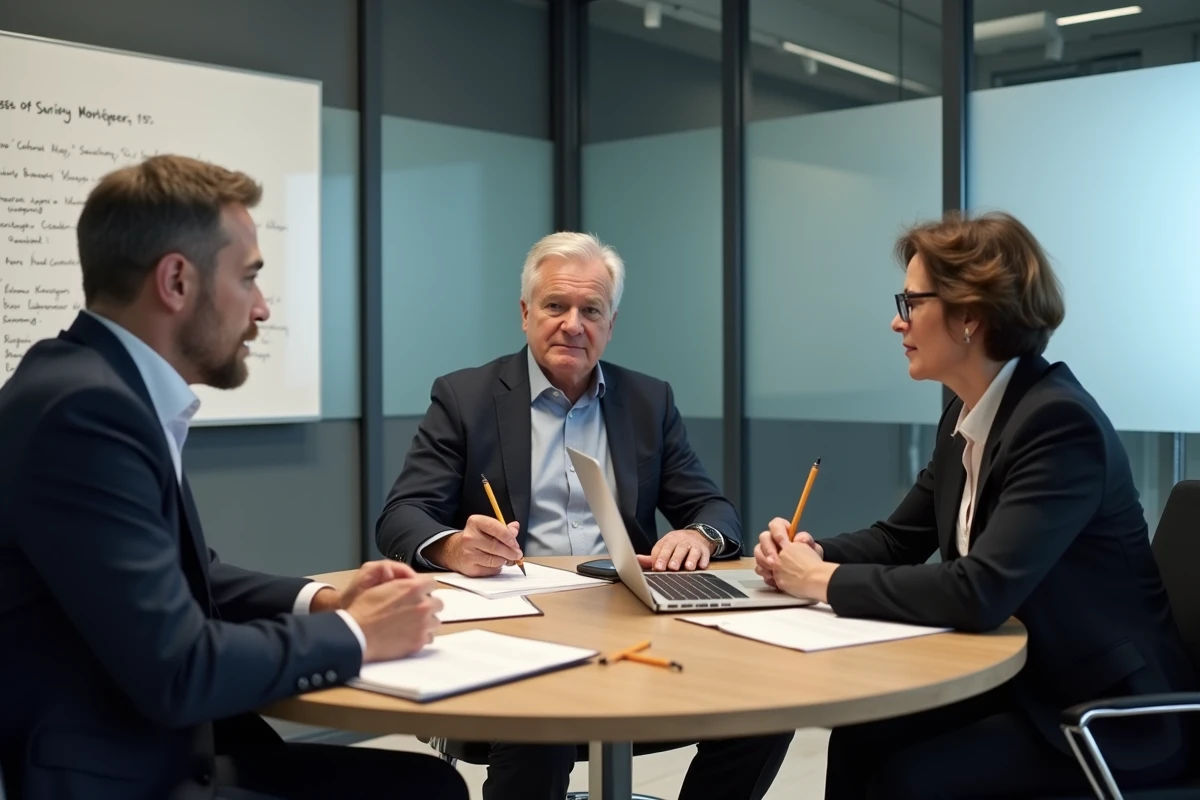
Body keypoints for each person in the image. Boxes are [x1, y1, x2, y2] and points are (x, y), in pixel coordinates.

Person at [0, 155, 467, 800]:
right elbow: (180, 668)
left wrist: (324, 602)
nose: (262, 308)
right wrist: (358, 633)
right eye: (248, 278)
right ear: (176, 281)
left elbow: (188, 577)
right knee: (426, 791)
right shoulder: (87, 413)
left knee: (424, 783)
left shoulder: (85, 384)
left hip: (146, 742)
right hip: (119, 773)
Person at [754, 210, 1194, 799]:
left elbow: (979, 591)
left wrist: (820, 580)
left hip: (1106, 716)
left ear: (969, 316)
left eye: (912, 303)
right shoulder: (966, 418)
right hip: (1025, 682)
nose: (896, 321)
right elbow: (898, 539)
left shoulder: (1059, 425)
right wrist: (807, 552)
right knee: (861, 735)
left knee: (910, 778)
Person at [377, 232, 792, 800]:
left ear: (610, 323)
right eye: (555, 305)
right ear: (525, 313)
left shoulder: (648, 400)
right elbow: (402, 515)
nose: (573, 325)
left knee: (769, 705)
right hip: (517, 627)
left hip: (632, 623)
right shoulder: (465, 397)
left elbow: (712, 506)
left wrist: (699, 534)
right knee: (542, 725)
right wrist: (453, 546)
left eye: (591, 310)